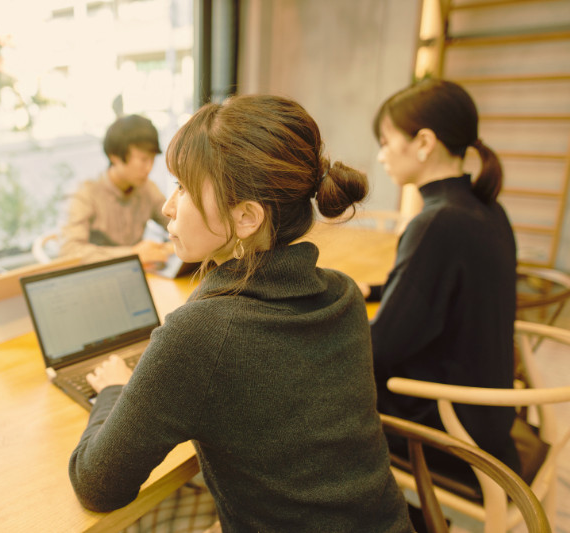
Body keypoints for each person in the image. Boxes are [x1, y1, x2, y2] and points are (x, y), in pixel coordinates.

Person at [68, 95, 413, 532]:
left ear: (247, 216)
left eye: (182, 188)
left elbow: (97, 485)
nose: (167, 207)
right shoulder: (344, 295)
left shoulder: (201, 334)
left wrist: (115, 391)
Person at [362, 79, 520, 487]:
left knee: (316, 386)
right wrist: (375, 292)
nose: (381, 156)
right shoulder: (485, 207)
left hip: (453, 428)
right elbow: (455, 289)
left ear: (424, 142)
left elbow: (382, 348)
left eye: (385, 141)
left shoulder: (437, 222)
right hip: (488, 411)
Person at [59, 114, 173, 265]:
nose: (149, 168)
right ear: (114, 156)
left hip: (139, 274)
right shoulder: (85, 193)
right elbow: (69, 251)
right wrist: (132, 254)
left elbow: (174, 223)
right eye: (143, 159)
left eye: (152, 159)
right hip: (98, 279)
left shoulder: (148, 188)